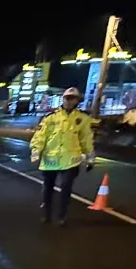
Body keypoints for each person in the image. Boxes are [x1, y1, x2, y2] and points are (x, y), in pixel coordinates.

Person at [29, 86, 94, 226]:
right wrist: (35, 151)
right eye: (67, 98)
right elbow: (40, 136)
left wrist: (90, 158)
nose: (69, 101)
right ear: (63, 99)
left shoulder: (82, 119)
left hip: (70, 161)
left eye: (73, 99)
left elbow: (86, 140)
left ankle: (61, 216)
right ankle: (46, 213)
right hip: (50, 160)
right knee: (48, 188)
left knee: (66, 188)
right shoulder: (50, 118)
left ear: (77, 101)